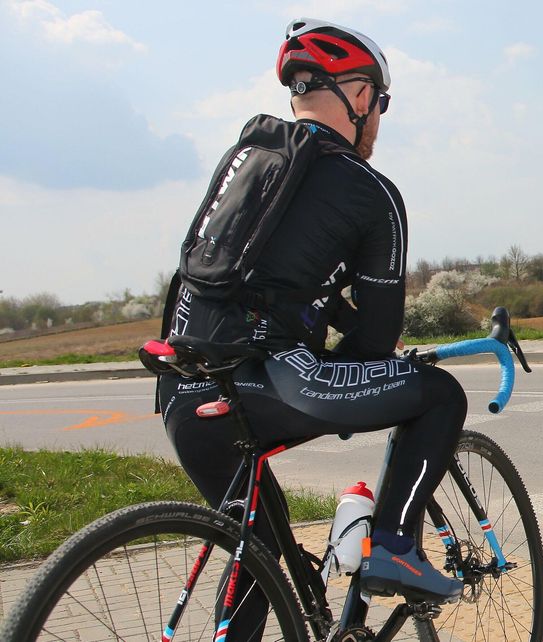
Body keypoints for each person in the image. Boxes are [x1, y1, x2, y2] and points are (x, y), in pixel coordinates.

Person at [158, 17, 464, 614]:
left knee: (262, 564)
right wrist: (358, 377)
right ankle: (395, 546)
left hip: (180, 388)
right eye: (382, 101)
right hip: (273, 380)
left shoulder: (247, 158)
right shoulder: (371, 190)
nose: (379, 119)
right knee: (441, 394)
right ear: (359, 93)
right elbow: (378, 340)